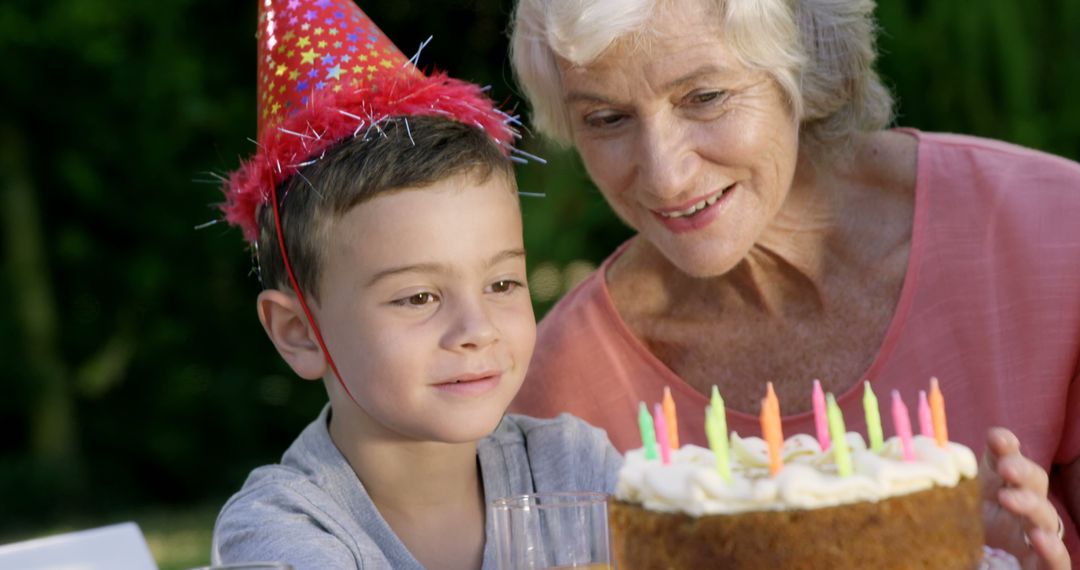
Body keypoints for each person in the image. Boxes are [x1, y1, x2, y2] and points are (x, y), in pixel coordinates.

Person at [508, 0, 1078, 565]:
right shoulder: (557, 390)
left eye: (705, 97)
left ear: (801, 67)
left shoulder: (1055, 234)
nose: (665, 175)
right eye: (607, 118)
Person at [209, 1, 620, 569]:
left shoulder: (574, 469)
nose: (476, 330)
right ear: (300, 332)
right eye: (419, 297)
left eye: (502, 283)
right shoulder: (282, 529)